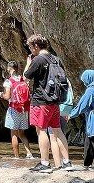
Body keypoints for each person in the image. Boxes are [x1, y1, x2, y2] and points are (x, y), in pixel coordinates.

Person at [23, 34, 74, 173]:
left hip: (41, 101)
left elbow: (26, 77)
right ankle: (67, 162)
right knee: (57, 131)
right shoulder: (56, 59)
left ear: (36, 46)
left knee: (41, 130)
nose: (30, 49)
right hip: (55, 102)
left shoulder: (38, 59)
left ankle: (45, 163)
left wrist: (28, 62)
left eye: (30, 47)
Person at [0, 61, 33, 159]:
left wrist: (2, 95)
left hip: (14, 109)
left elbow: (7, 96)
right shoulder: (22, 79)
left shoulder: (8, 81)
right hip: (24, 109)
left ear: (10, 68)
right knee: (22, 133)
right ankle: (29, 153)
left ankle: (16, 156)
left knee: (14, 133)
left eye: (8, 68)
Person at [68, 70, 94, 170]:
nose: (83, 83)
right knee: (89, 142)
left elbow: (82, 106)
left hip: (92, 120)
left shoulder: (90, 90)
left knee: (91, 141)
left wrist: (71, 115)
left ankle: (87, 164)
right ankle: (87, 164)